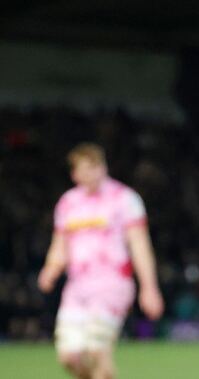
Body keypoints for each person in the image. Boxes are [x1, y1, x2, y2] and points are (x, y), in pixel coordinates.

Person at [37, 142, 165, 379]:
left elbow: (139, 245)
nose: (93, 174)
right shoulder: (68, 202)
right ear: (74, 174)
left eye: (96, 167)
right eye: (86, 169)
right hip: (77, 287)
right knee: (69, 357)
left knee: (97, 349)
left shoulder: (124, 198)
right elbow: (60, 244)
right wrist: (50, 268)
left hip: (113, 283)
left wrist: (149, 287)